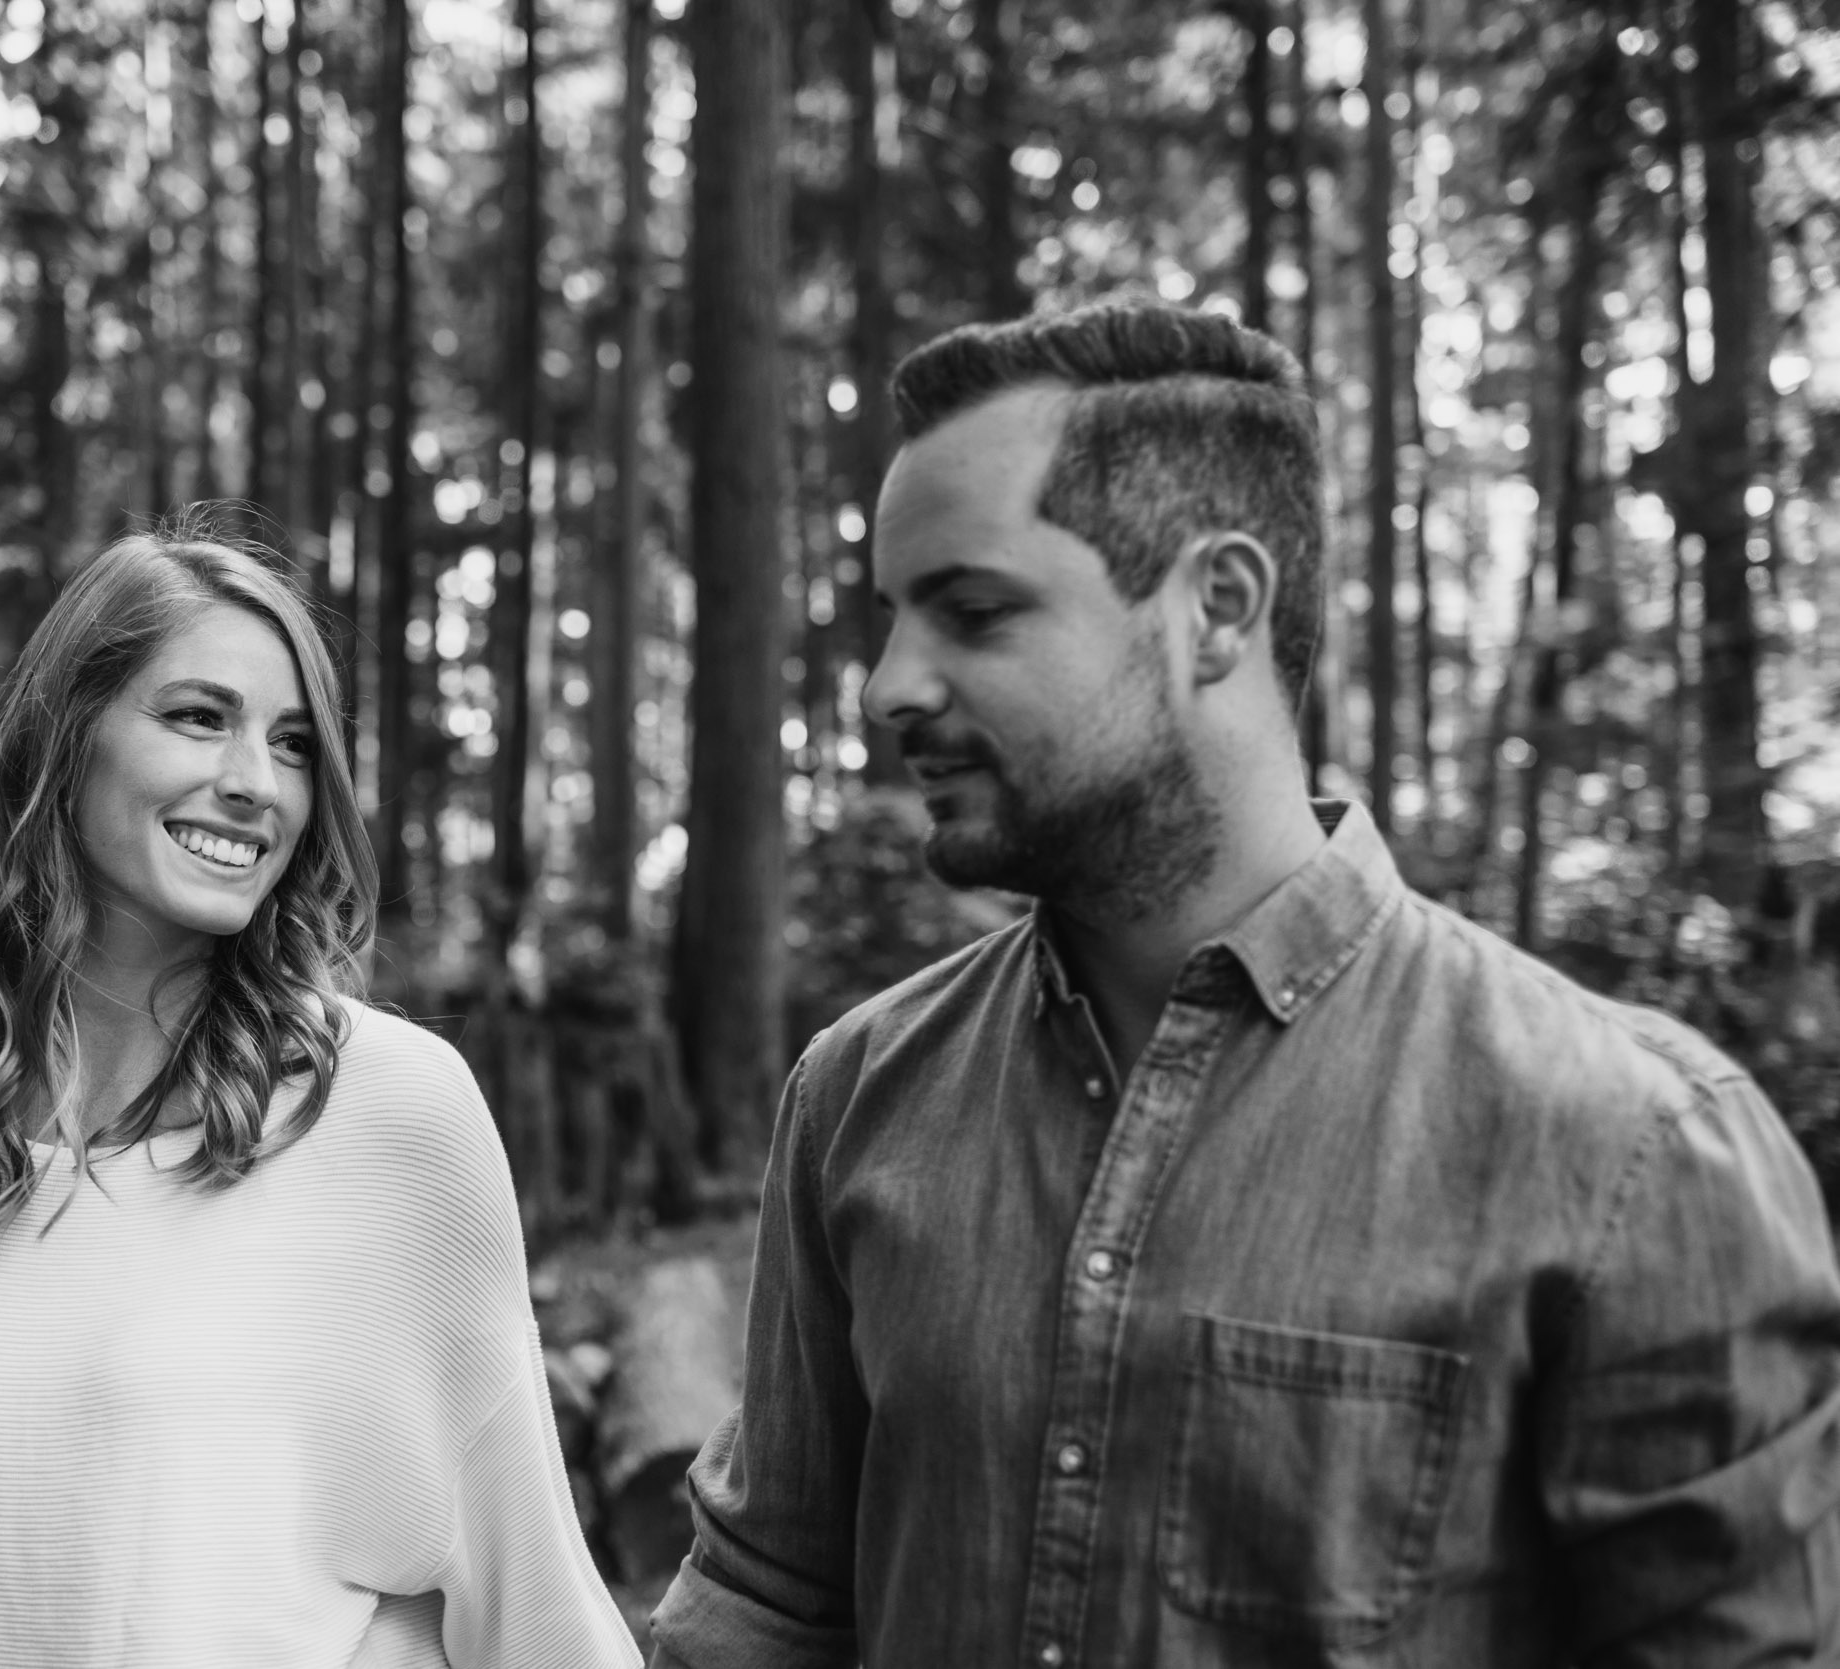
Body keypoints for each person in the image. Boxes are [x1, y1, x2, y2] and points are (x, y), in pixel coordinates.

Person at [646, 299, 1840, 1667]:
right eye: (892, 618)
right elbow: (765, 1612)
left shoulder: (1638, 1151)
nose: (886, 686)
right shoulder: (862, 1091)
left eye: (972, 611)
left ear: (1217, 608)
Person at [0, 524, 638, 1668]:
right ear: (65, 737)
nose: (252, 784)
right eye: (198, 716)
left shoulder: (391, 1110)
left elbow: (529, 1602)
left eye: (291, 743)